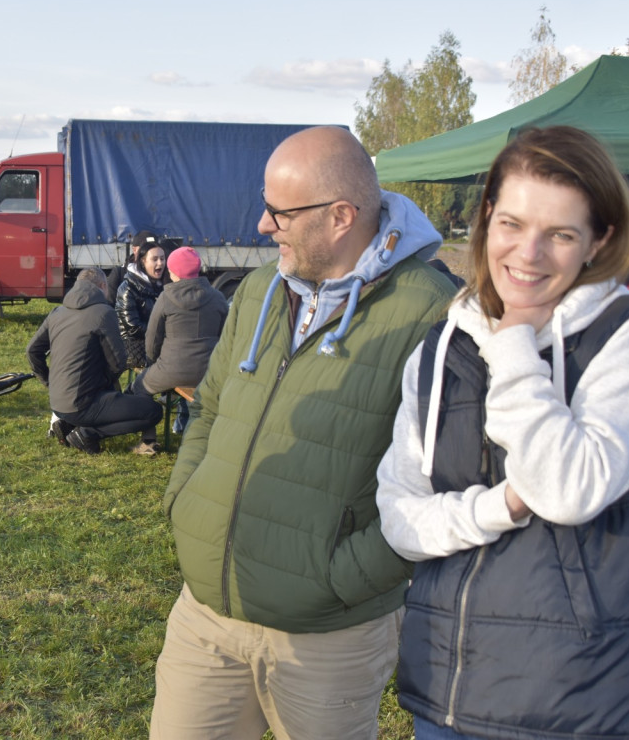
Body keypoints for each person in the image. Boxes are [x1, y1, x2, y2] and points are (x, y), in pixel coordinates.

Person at [150, 125, 457, 740]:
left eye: (279, 211)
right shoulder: (261, 289)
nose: (264, 225)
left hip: (330, 636)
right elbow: (209, 406)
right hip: (207, 613)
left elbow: (440, 482)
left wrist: (342, 580)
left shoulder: (433, 311)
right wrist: (186, 502)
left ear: (341, 216)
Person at [376, 126, 629, 740]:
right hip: (444, 692)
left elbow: (571, 489)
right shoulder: (442, 346)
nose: (529, 253)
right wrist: (501, 506)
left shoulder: (621, 339)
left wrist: (514, 343)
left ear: (599, 241)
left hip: (577, 703)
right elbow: (399, 517)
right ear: (486, 216)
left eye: (561, 235)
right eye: (512, 224)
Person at [26, 268, 163, 455]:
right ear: (103, 286)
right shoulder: (103, 313)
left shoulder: (57, 312)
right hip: (85, 402)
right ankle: (87, 433)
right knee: (152, 410)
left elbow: (32, 351)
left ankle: (70, 423)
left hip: (57, 402)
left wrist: (49, 382)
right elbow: (118, 362)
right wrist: (106, 383)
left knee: (109, 399)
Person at [131, 246, 228, 433]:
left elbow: (152, 339)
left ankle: (148, 439)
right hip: (208, 371)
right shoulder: (218, 297)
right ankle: (183, 426)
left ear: (174, 271)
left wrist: (153, 362)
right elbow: (225, 337)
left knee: (138, 386)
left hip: (171, 369)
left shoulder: (166, 297)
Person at [116, 239, 166, 368]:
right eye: (154, 259)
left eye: (162, 258)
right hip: (134, 347)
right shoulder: (127, 287)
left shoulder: (163, 285)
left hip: (157, 344)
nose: (160, 263)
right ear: (143, 261)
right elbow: (132, 327)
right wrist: (162, 333)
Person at [105, 229, 159, 307]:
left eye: (154, 249)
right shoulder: (120, 273)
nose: (151, 253)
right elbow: (109, 304)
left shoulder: (162, 274)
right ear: (134, 250)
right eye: (145, 249)